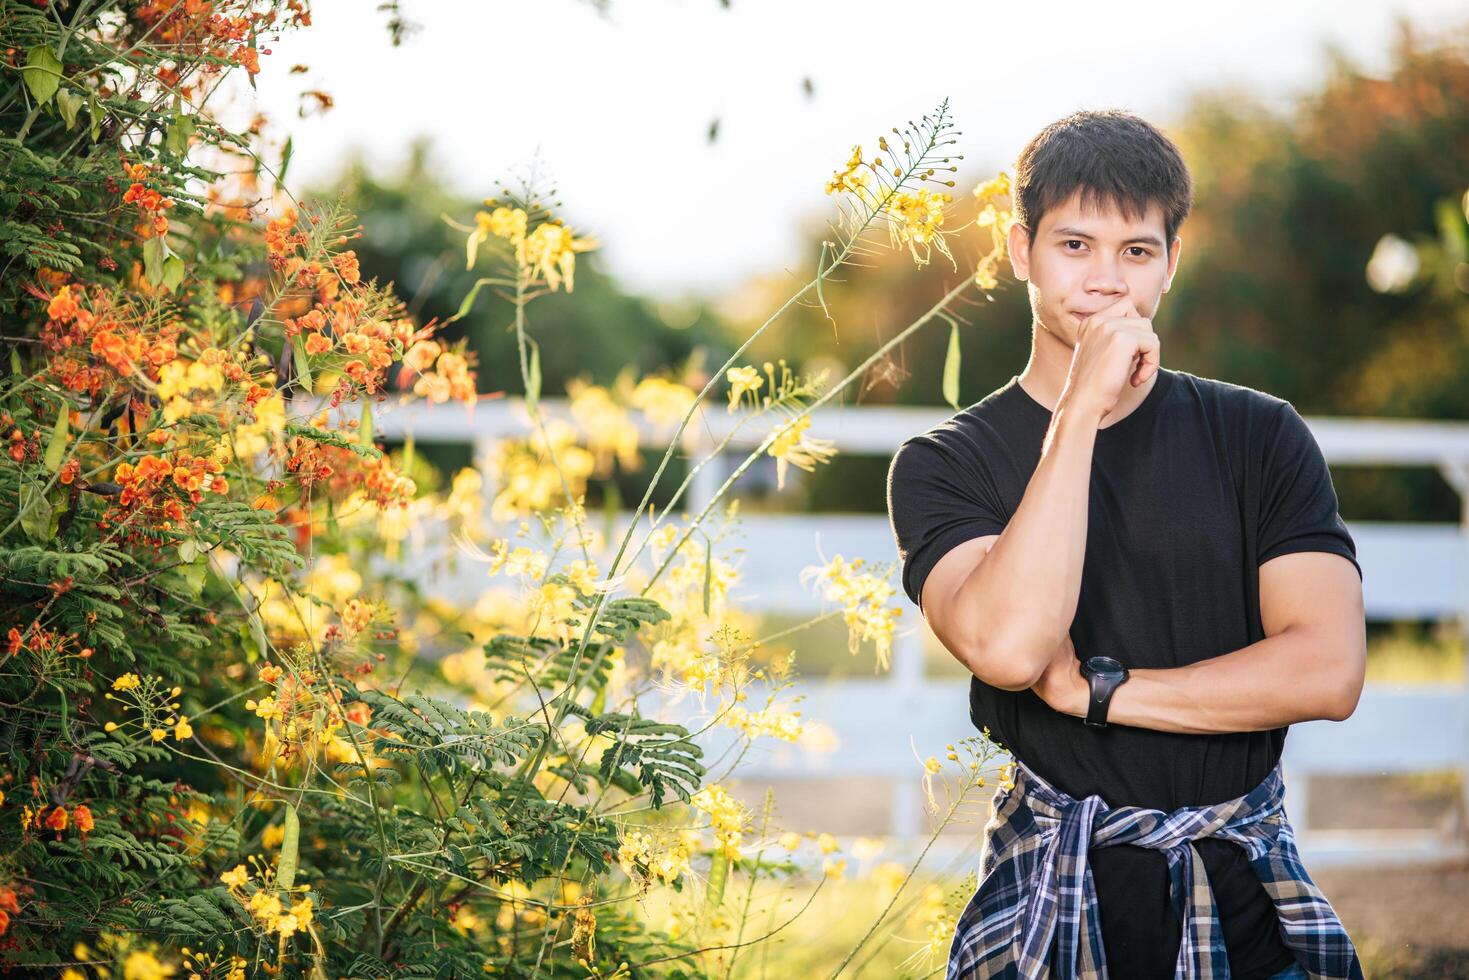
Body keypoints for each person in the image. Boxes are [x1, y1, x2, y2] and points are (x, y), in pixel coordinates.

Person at [885, 109, 1367, 979]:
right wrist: (1078, 411)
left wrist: (1096, 695)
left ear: (1171, 263)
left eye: (1135, 252)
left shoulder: (1261, 435)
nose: (1105, 283)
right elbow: (1006, 646)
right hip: (1051, 898)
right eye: (1074, 246)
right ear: (1017, 249)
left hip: (1245, 887)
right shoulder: (942, 462)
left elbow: (1328, 673)